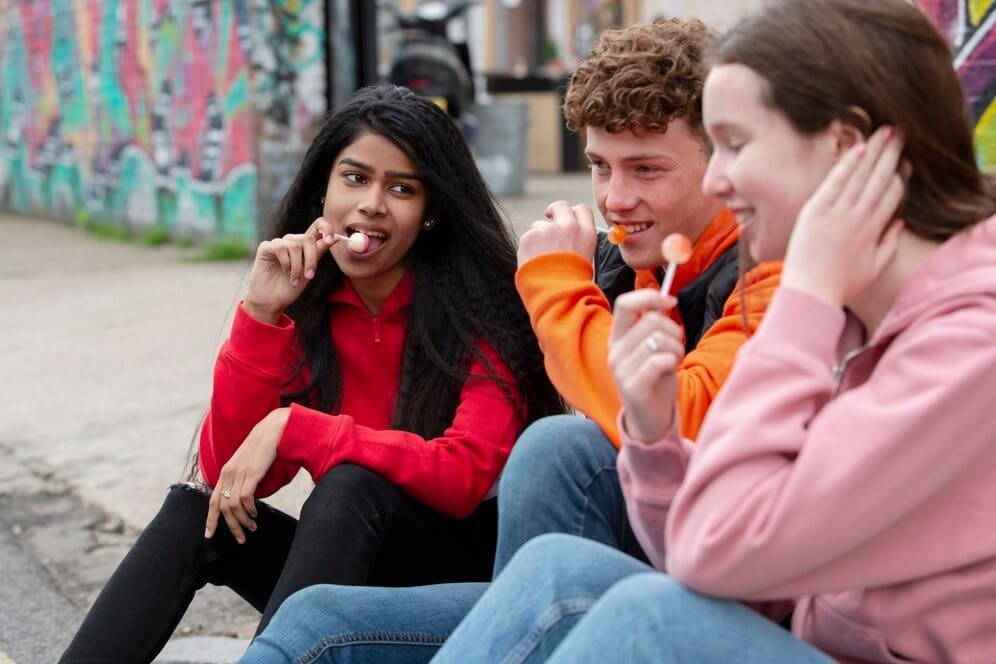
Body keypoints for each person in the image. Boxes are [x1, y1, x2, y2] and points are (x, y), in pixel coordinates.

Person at [427, 0, 996, 661]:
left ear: (844, 147)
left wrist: (805, 297)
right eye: (601, 166)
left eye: (736, 144)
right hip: (797, 626)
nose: (719, 179)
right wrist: (653, 435)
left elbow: (713, 555)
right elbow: (715, 567)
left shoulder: (967, 342)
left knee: (652, 618)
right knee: (557, 565)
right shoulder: (852, 306)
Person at [240, 17, 781, 663]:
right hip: (610, 563)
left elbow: (679, 415)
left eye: (646, 169)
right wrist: (259, 316)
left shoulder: (770, 273)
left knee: (558, 444)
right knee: (315, 618)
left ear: (725, 159)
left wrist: (556, 285)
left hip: (729, 605)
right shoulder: (624, 266)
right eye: (600, 167)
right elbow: (223, 474)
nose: (615, 198)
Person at [60, 83, 564, 664]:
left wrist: (297, 427)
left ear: (431, 214)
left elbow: (465, 473)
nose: (372, 202)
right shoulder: (311, 309)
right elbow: (232, 478)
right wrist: (260, 315)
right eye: (355, 178)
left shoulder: (486, 310)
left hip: (463, 599)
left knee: (350, 486)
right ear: (323, 189)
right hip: (352, 578)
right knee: (195, 511)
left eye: (401, 188)